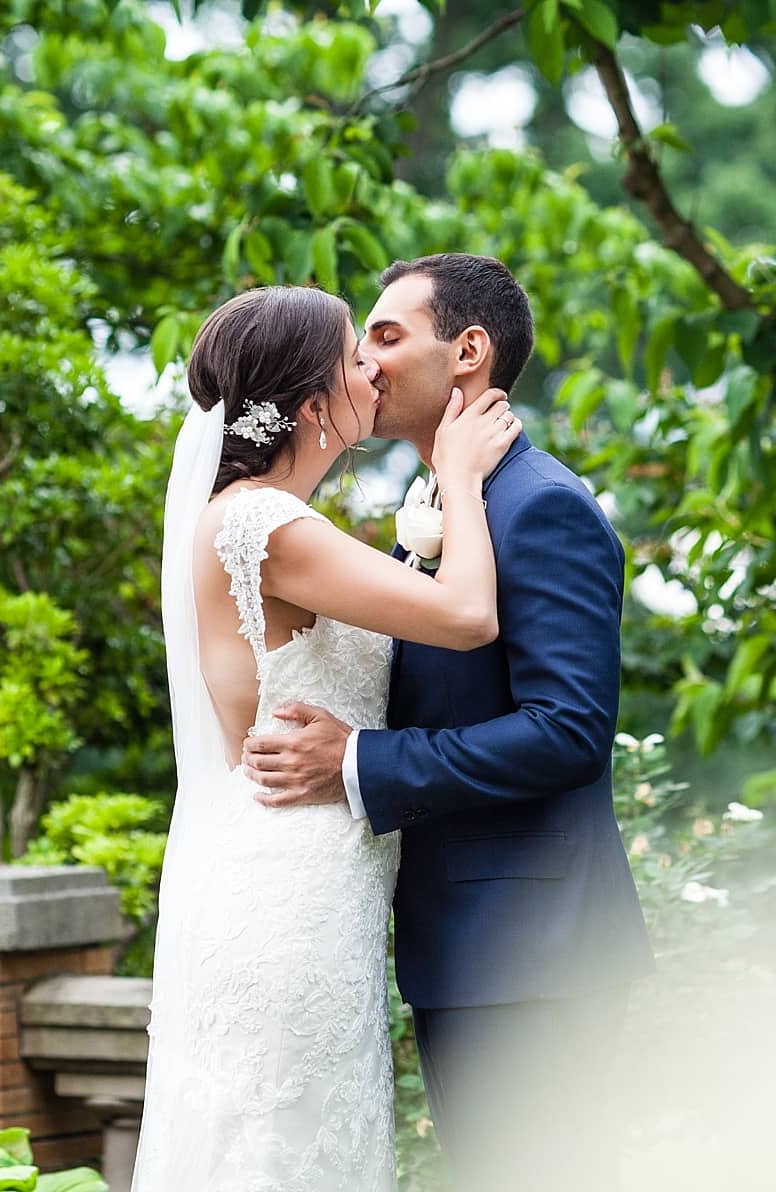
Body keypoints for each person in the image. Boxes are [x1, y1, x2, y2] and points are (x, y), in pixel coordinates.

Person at [241, 254, 653, 1190]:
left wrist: (360, 762)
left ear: (468, 352)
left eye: (387, 336)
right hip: (469, 942)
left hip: (535, 951)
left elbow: (568, 730)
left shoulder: (541, 507)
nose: (366, 363)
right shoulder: (444, 504)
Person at [130, 283, 520, 1189]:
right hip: (291, 885)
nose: (373, 369)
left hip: (310, 870)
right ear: (312, 404)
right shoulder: (264, 522)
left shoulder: (267, 519)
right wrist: (458, 479)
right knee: (284, 1142)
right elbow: (465, 615)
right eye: (356, 355)